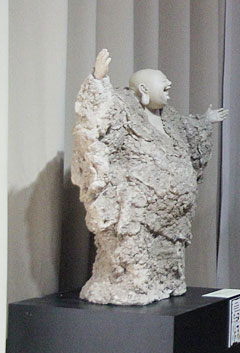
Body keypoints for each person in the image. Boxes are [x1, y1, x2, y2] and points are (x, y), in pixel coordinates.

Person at [72, 49, 228, 305]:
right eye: (162, 81)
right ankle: (133, 284)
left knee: (168, 257)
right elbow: (96, 119)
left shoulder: (170, 117)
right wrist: (98, 80)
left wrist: (205, 120)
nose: (169, 83)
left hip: (173, 219)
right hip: (137, 215)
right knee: (136, 263)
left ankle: (167, 280)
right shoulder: (124, 108)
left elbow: (188, 130)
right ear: (144, 89)